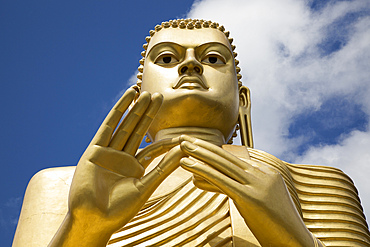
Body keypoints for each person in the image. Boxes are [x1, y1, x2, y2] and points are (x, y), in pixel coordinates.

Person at [13, 19, 370, 247]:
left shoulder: (313, 181)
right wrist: (85, 229)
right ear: (138, 98)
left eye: (213, 59)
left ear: (243, 101)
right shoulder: (63, 187)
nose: (190, 64)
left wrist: (287, 231)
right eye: (167, 59)